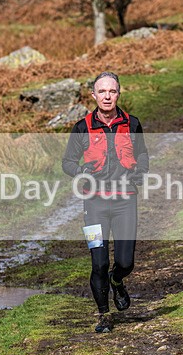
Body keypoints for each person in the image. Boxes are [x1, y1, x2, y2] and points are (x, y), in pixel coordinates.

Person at [62, 71, 149, 333]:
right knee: (98, 262)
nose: (107, 96)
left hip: (125, 202)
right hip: (95, 204)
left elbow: (143, 155)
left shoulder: (132, 124)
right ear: (93, 95)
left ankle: (117, 280)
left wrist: (139, 172)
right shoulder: (82, 127)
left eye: (112, 91)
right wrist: (80, 172)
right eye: (102, 92)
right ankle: (103, 315)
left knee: (125, 262)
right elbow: (67, 163)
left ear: (119, 93)